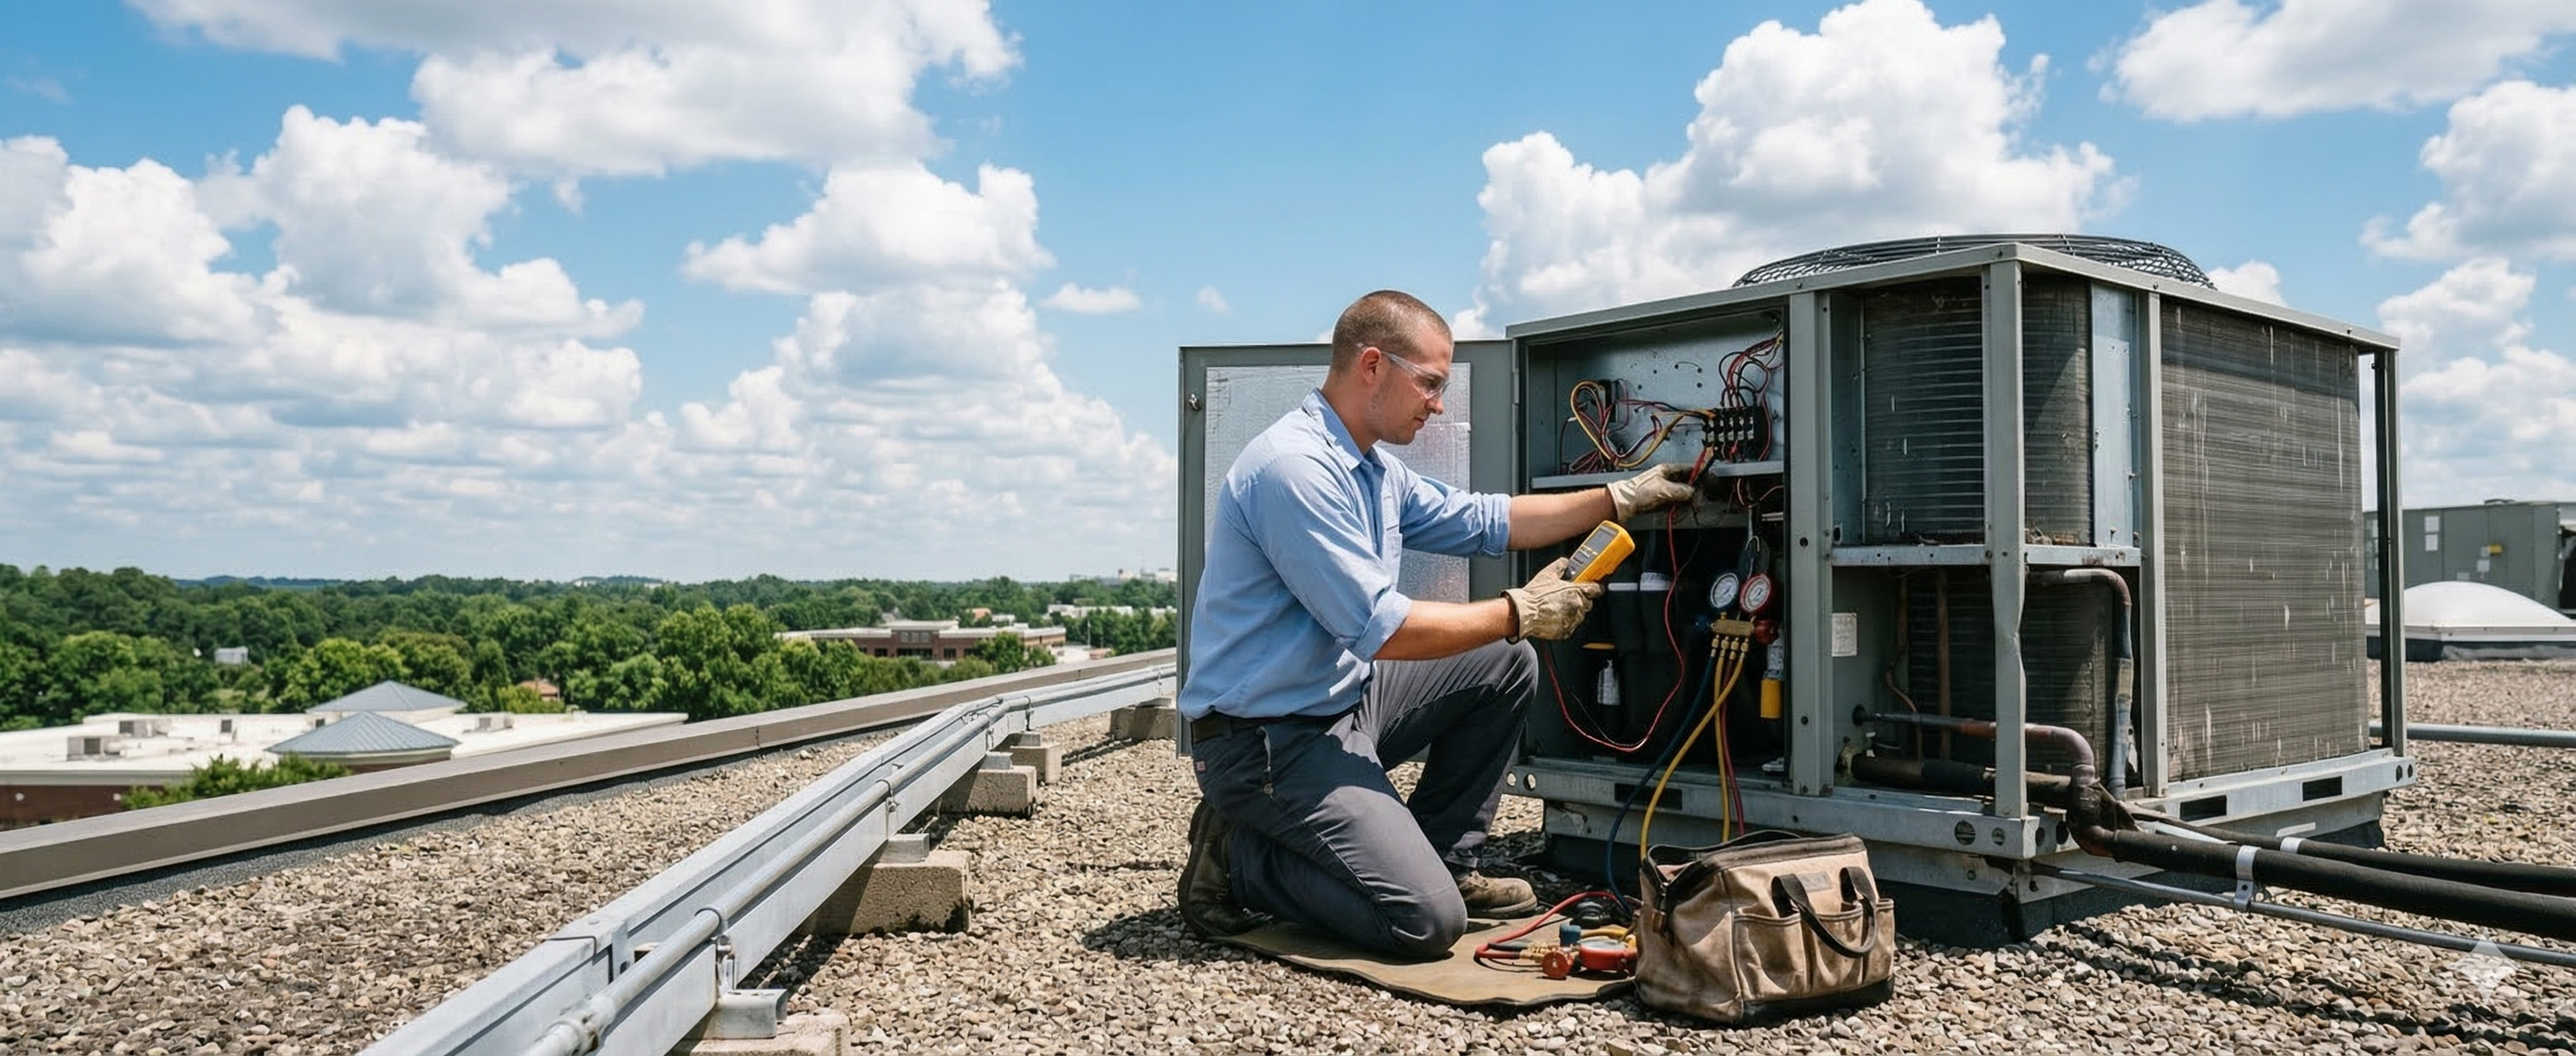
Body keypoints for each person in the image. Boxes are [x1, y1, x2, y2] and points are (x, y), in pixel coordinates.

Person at [1177, 289, 1698, 959]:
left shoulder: (1371, 470)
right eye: (1429, 383)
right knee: (1423, 924)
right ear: (1372, 365)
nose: (1438, 404)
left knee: (1505, 663)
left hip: (1341, 704)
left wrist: (1621, 496)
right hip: (1267, 743)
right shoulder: (1294, 470)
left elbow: (1489, 521)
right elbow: (1380, 627)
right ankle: (1240, 856)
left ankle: (1447, 858)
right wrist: (1520, 611)